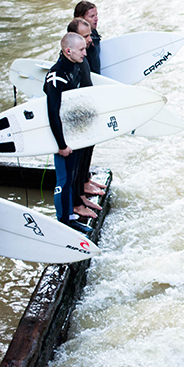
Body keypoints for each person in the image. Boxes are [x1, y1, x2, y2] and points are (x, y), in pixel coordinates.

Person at [44, 32, 93, 234]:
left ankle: (71, 217)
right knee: (63, 181)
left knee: (72, 178)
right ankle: (63, 222)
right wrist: (61, 145)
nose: (85, 53)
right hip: (63, 138)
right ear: (68, 51)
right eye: (81, 49)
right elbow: (52, 114)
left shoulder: (75, 67)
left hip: (76, 135)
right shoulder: (56, 77)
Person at [66, 17, 102, 219]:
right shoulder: (71, 62)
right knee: (77, 161)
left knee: (86, 154)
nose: (90, 40)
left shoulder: (84, 56)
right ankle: (77, 201)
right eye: (85, 36)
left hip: (87, 113)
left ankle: (82, 190)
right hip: (77, 121)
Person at [73, 0, 101, 74]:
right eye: (92, 16)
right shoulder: (74, 40)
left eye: (96, 15)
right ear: (80, 19)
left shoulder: (94, 32)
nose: (96, 19)